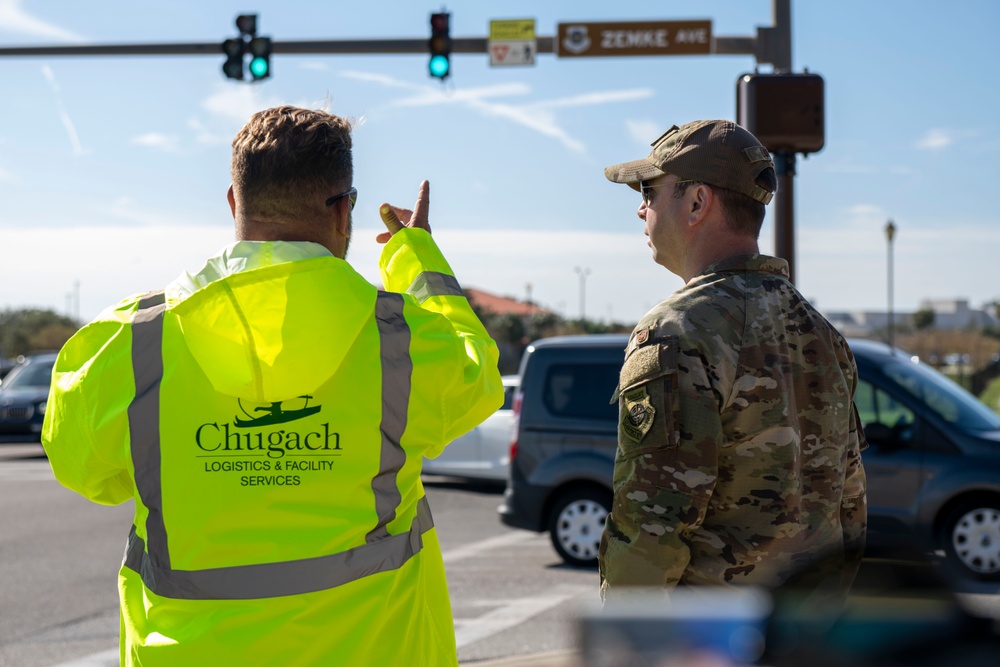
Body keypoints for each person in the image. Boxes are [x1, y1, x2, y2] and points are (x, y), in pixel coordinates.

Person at [42, 106, 503, 666]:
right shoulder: (400, 341)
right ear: (342, 211)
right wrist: (416, 257)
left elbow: (82, 467)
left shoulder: (131, 345)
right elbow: (478, 374)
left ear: (235, 202)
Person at [598, 120, 867, 600]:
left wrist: (624, 640)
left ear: (698, 202)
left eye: (649, 190)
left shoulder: (676, 332)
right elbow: (849, 505)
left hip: (709, 639)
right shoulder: (825, 335)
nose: (641, 210)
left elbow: (652, 524)